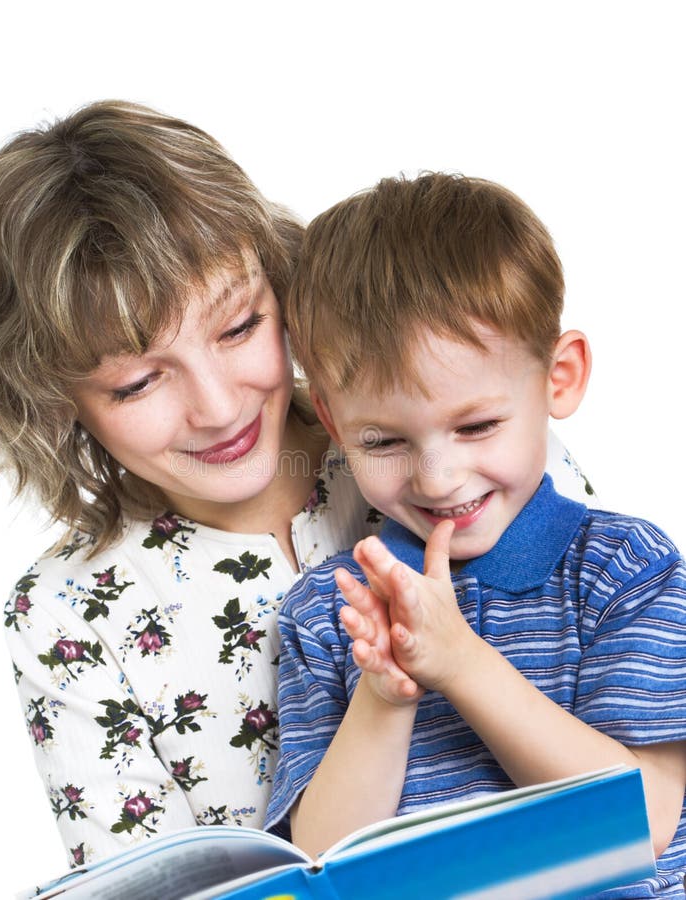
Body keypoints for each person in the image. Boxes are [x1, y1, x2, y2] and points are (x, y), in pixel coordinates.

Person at [0, 103, 590, 870]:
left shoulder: (448, 456)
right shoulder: (67, 616)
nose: (218, 409)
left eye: (240, 327)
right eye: (140, 381)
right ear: (50, 404)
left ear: (282, 282)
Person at [265, 173, 686, 896]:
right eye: (384, 440)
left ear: (559, 377)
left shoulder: (624, 570)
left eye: (476, 426)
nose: (437, 478)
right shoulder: (329, 610)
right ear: (331, 423)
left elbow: (643, 820)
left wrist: (460, 664)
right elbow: (319, 866)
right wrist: (386, 694)